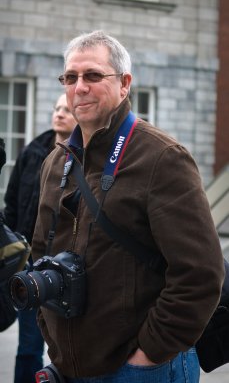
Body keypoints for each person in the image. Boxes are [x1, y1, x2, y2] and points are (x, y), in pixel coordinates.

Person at [31, 30, 224, 383]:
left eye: (92, 75)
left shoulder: (162, 158)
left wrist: (149, 353)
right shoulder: (56, 163)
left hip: (140, 367)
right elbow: (42, 249)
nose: (80, 87)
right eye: (70, 77)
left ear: (124, 84)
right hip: (69, 364)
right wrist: (51, 332)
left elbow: (200, 273)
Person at [4, 93, 77, 383]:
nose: (59, 113)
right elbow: (11, 205)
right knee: (28, 346)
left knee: (69, 347)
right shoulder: (32, 152)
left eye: (67, 109)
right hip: (28, 264)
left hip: (66, 267)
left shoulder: (85, 157)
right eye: (57, 108)